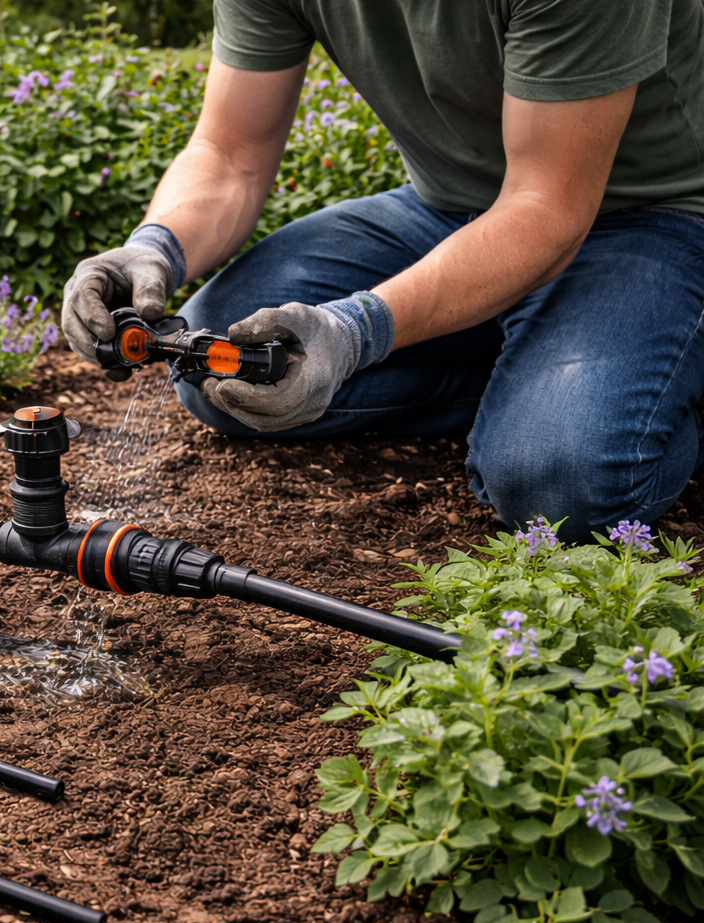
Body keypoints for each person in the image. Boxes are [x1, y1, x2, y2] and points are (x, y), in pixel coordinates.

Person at [61, 1, 704, 540]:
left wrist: (354, 331)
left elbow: (547, 207)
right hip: (450, 206)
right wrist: (152, 249)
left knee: (557, 486)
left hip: (655, 215)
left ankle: (646, 383)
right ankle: (533, 371)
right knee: (222, 361)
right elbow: (231, 151)